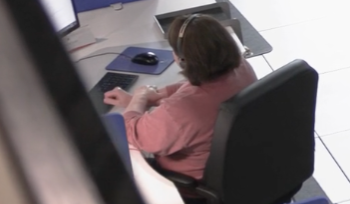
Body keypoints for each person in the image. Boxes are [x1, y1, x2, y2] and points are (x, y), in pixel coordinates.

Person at [104, 14, 256, 180]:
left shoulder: (181, 110)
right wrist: (151, 98)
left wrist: (139, 96)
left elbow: (132, 135)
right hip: (245, 167)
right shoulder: (242, 67)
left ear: (183, 60)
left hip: (195, 184)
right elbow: (197, 89)